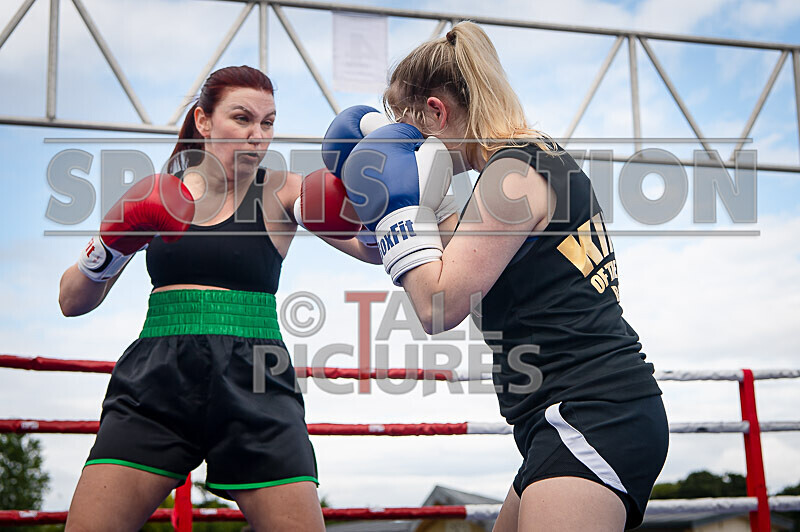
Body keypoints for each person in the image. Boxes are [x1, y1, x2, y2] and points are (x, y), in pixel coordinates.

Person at [338, 23, 669, 531]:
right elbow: (405, 251)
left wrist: (396, 210)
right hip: (562, 415)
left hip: (595, 408)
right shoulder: (525, 160)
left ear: (436, 112)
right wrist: (305, 206)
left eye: (407, 129)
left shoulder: (512, 176)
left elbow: (438, 305)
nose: (402, 145)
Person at [59, 65, 379, 531]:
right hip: (156, 380)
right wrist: (108, 244)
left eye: (267, 123)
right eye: (242, 118)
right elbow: (72, 300)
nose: (257, 135)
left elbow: (368, 251)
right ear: (203, 121)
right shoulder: (157, 195)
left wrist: (382, 201)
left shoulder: (286, 190)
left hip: (256, 379)